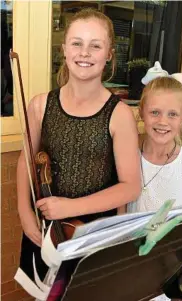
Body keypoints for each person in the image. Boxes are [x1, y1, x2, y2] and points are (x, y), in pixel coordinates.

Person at [17, 8, 141, 281]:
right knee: (44, 290)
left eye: (95, 45)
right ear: (64, 49)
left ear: (108, 54)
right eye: (77, 43)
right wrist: (25, 213)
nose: (84, 53)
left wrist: (70, 208)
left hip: (92, 232)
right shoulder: (40, 105)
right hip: (46, 226)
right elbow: (25, 163)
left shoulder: (119, 114)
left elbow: (130, 187)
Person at [127, 64, 182, 301]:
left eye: (172, 114)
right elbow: (119, 219)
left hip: (167, 269)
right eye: (155, 112)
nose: (163, 121)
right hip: (130, 263)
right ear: (141, 112)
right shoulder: (127, 156)